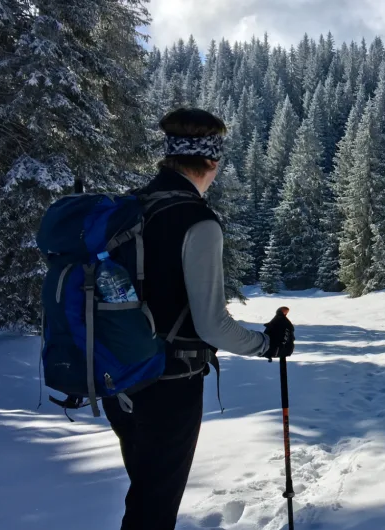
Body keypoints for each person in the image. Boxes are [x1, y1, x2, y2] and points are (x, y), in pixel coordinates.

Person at [102, 108, 295, 530]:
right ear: (212, 161)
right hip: (168, 384)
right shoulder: (197, 221)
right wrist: (267, 344)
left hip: (118, 375)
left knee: (145, 494)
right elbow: (211, 324)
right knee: (154, 505)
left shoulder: (134, 206)